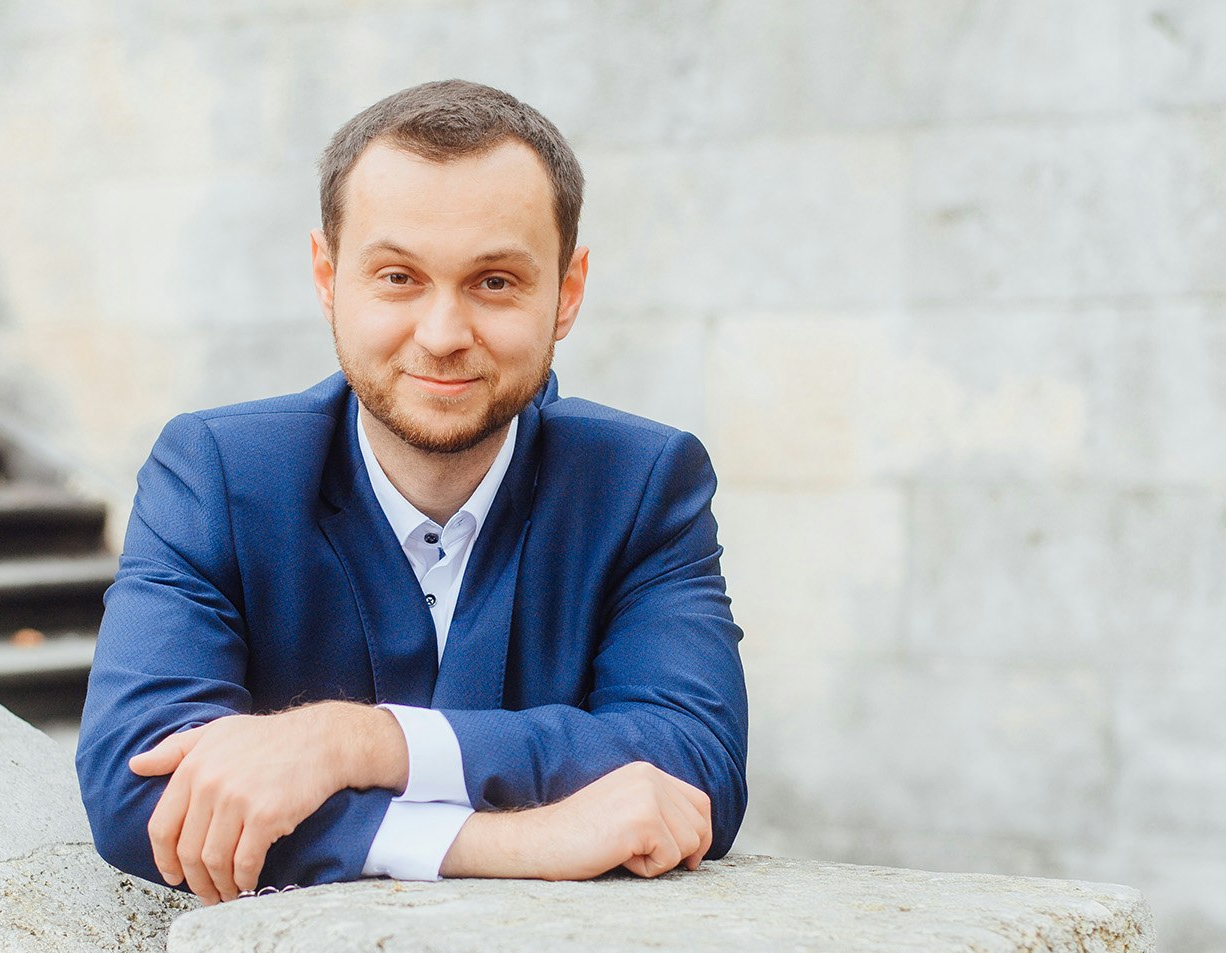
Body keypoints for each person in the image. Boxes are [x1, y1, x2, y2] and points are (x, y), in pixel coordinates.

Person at [77, 79, 747, 905]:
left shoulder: (645, 482)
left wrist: (356, 742)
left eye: (495, 281)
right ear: (327, 275)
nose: (441, 335)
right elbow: (134, 782)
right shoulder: (214, 470)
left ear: (567, 292)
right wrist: (516, 841)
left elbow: (694, 759)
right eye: (397, 276)